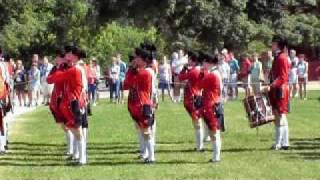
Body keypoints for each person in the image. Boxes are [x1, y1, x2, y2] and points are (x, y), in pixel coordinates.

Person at [47, 45, 88, 165]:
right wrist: (60, 67)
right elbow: (50, 79)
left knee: (78, 131)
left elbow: (53, 78)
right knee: (75, 130)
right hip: (69, 102)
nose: (66, 56)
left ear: (75, 57)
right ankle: (77, 155)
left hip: (75, 103)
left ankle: (82, 158)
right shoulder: (71, 68)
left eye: (69, 54)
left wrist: (59, 67)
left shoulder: (75, 69)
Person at [124, 47, 154, 163]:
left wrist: (131, 70)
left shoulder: (145, 72)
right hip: (136, 104)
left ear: (143, 60)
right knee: (142, 130)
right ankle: (146, 154)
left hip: (143, 104)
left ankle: (151, 157)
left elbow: (129, 82)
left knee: (146, 131)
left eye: (137, 58)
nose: (135, 60)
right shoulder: (137, 71)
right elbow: (126, 85)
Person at [264, 36, 290, 150]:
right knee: (278, 115)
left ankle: (279, 143)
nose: (272, 45)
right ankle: (284, 143)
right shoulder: (278, 57)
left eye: (273, 43)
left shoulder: (282, 57)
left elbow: (283, 77)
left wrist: (271, 86)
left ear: (278, 45)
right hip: (277, 89)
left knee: (279, 116)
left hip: (281, 90)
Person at [178, 51, 204, 152]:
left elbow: (180, 77)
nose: (188, 61)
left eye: (189, 59)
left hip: (193, 98)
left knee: (197, 123)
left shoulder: (193, 71)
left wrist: (184, 69)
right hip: (197, 96)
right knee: (197, 123)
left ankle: (200, 146)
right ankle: (199, 145)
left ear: (193, 61)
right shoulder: (200, 70)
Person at [199, 53, 223, 162]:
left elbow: (199, 85)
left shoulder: (212, 74)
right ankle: (216, 156)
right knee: (214, 131)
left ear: (208, 63)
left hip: (211, 105)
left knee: (214, 132)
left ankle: (216, 157)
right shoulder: (215, 73)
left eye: (204, 62)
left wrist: (202, 72)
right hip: (215, 103)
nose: (202, 64)